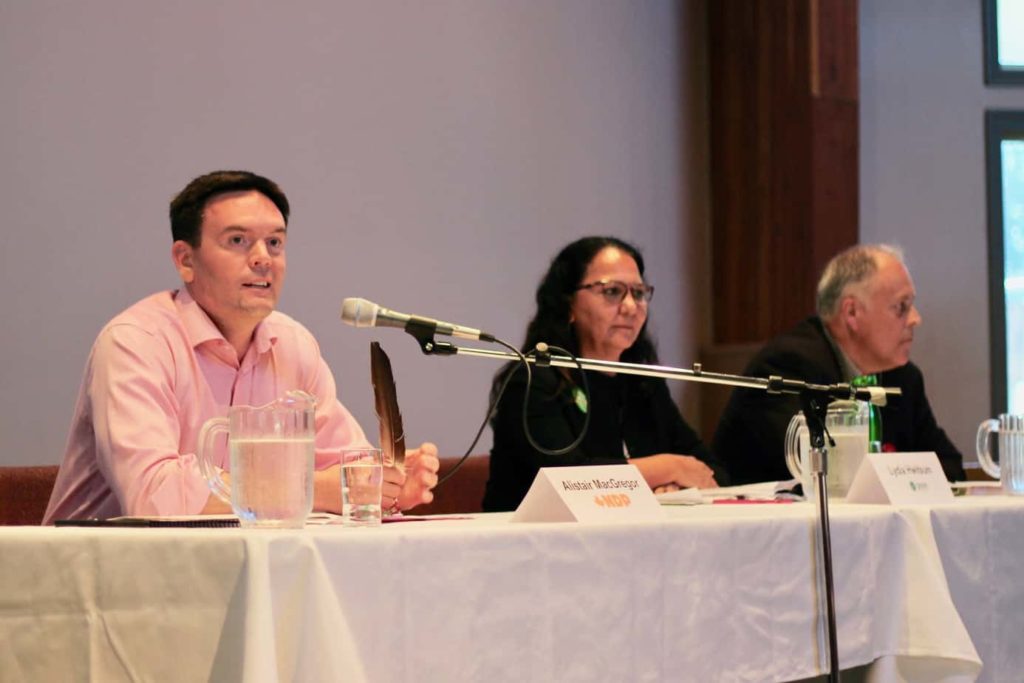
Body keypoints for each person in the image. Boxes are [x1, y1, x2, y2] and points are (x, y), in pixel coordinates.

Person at [44, 170, 439, 523]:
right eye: (238, 240)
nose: (262, 259)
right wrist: (314, 490)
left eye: (274, 243)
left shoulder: (293, 345)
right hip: (103, 584)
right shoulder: (137, 342)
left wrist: (387, 483)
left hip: (231, 571)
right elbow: (154, 496)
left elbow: (346, 470)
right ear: (185, 260)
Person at [482, 236, 729, 512]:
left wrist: (674, 485)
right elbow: (568, 480)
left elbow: (711, 471)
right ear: (568, 304)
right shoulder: (533, 381)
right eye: (612, 291)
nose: (631, 307)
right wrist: (669, 468)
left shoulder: (643, 383)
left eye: (638, 293)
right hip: (538, 545)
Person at [712, 243, 965, 485]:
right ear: (852, 312)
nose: (915, 319)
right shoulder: (789, 365)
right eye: (901, 307)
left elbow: (950, 468)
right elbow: (814, 472)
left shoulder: (904, 379)